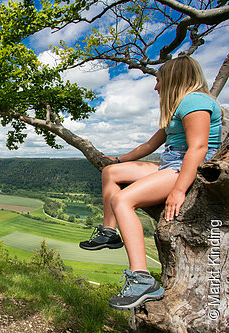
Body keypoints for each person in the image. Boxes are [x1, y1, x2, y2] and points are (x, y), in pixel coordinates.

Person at [78, 56, 222, 310]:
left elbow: (198, 148)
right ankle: (110, 233)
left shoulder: (195, 101)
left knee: (122, 200)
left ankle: (142, 278)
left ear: (173, 78)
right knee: (111, 172)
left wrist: (178, 191)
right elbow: (149, 146)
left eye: (159, 80)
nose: (156, 87)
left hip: (186, 169)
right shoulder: (179, 106)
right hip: (171, 165)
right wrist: (118, 159)